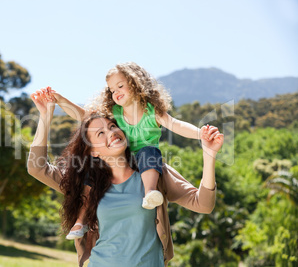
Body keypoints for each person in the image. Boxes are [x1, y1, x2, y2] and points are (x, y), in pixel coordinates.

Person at [27, 88, 224, 267]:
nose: (111, 133)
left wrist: (209, 155)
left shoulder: (153, 173)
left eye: (112, 126)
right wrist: (45, 116)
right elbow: (37, 168)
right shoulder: (88, 183)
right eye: (100, 133)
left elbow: (203, 205)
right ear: (93, 151)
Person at [50, 62, 210, 239]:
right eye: (112, 90)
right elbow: (85, 117)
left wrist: (200, 134)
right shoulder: (115, 113)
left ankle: (150, 193)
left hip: (146, 159)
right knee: (93, 171)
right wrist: (60, 100)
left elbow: (175, 125)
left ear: (135, 84)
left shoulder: (152, 112)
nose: (116, 92)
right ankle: (81, 220)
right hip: (123, 159)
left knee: (148, 151)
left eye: (120, 86)